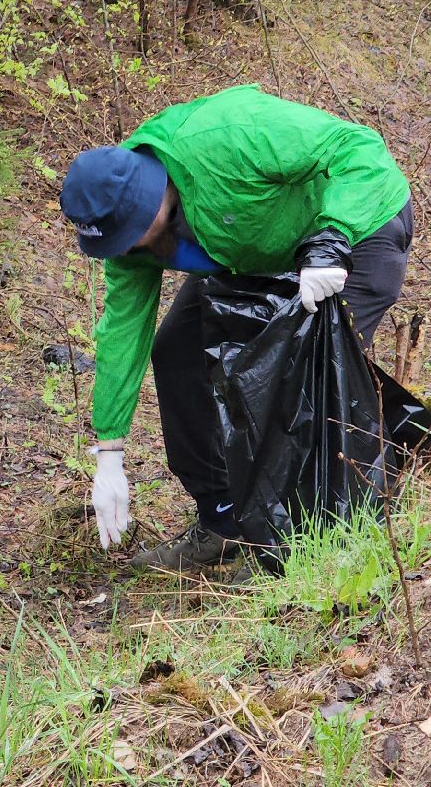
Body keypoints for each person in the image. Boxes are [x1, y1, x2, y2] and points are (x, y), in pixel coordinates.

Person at [58, 85, 412, 570]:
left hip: (358, 229)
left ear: (151, 194)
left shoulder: (232, 134)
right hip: (255, 251)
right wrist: (109, 453)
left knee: (301, 378)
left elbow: (360, 149)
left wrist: (333, 238)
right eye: (116, 242)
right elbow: (124, 333)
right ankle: (223, 521)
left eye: (130, 234)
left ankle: (301, 544)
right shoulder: (131, 239)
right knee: (178, 354)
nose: (127, 249)